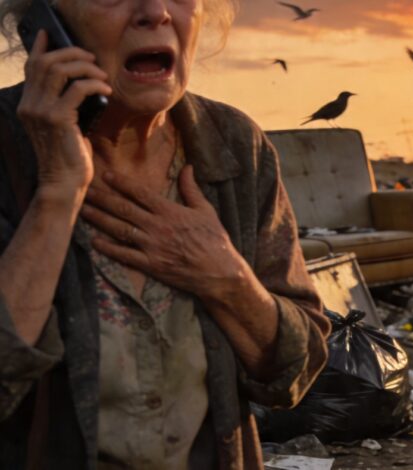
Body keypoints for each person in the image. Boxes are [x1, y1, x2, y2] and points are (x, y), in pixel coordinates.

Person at [0, 0, 331, 468]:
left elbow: (297, 371)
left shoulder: (235, 144)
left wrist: (228, 278)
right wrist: (55, 195)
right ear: (46, 23)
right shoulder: (8, 148)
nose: (155, 12)